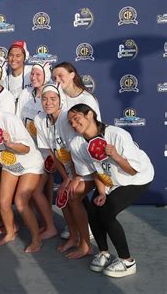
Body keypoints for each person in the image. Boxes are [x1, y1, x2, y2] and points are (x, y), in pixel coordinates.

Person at [67, 103, 154, 277]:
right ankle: (104, 253)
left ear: (90, 115)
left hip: (136, 178)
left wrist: (115, 156)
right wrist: (101, 193)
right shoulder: (76, 144)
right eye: (71, 123)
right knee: (93, 210)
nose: (74, 125)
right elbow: (94, 171)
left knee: (106, 214)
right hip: (111, 181)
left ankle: (127, 261)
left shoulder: (117, 134)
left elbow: (132, 170)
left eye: (76, 119)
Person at [0, 92, 44, 252]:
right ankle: (10, 233)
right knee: (4, 202)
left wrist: (9, 143)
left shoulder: (9, 119)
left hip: (30, 164)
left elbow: (26, 148)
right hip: (10, 166)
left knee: (21, 203)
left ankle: (36, 239)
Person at [35, 84, 93, 259]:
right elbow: (52, 154)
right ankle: (74, 238)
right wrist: (66, 178)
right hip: (69, 171)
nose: (48, 102)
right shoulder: (39, 120)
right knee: (64, 196)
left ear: (60, 101)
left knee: (72, 196)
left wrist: (73, 178)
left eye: (53, 99)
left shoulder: (67, 119)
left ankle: (85, 244)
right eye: (45, 99)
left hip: (85, 168)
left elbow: (75, 152)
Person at [17, 63, 58, 240]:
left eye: (38, 74)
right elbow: (19, 119)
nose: (34, 77)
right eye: (32, 74)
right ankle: (43, 222)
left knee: (38, 190)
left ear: (46, 76)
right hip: (27, 151)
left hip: (44, 153)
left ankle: (49, 226)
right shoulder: (25, 93)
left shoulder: (52, 97)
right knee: (37, 190)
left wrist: (51, 156)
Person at [2, 40, 32, 108]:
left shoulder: (32, 72)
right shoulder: (4, 80)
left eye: (18, 56)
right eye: (11, 55)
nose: (13, 59)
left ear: (25, 57)